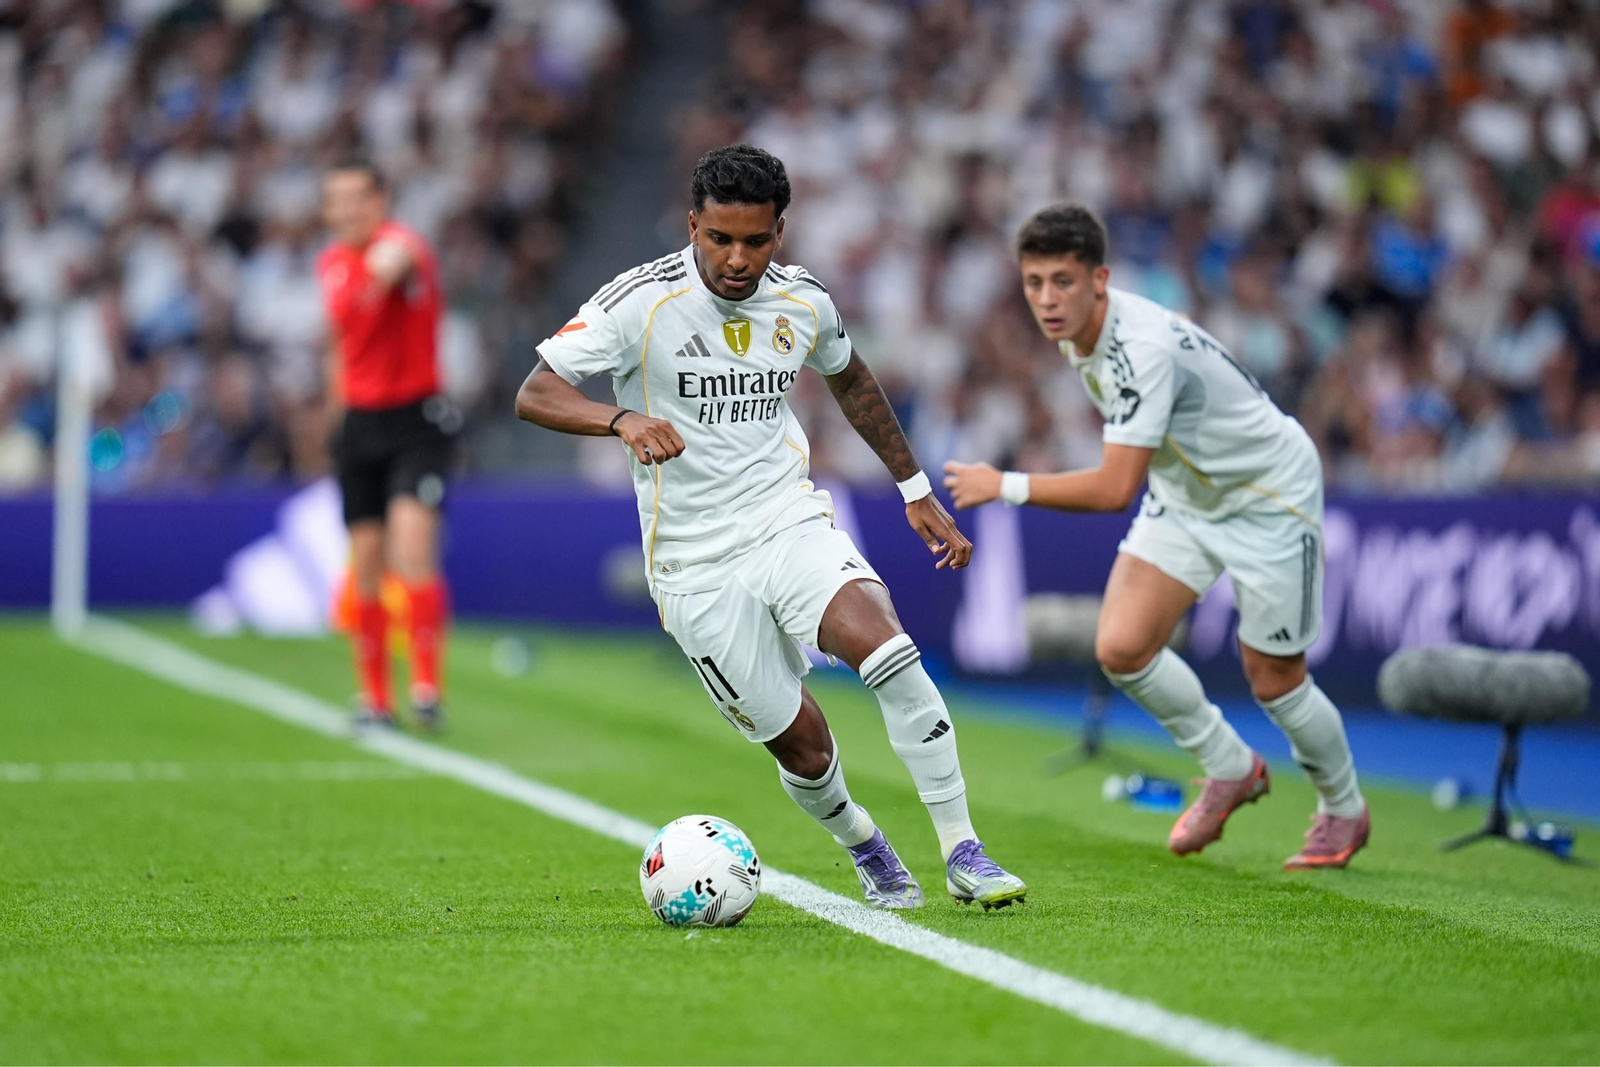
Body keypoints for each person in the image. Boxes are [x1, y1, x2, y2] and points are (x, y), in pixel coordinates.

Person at [516, 144, 1026, 909]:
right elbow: (536, 391)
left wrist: (914, 487)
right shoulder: (639, 301)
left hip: (785, 517)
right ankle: (866, 843)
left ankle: (964, 849)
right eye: (719, 238)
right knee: (802, 744)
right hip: (693, 563)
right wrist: (619, 418)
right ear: (693, 224)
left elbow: (850, 376)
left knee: (885, 644)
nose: (736, 258)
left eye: (755, 240)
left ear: (779, 232)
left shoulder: (802, 300)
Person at [944, 204, 1369, 870]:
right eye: (1034, 282)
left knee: (1275, 678)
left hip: (1267, 496)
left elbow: (1115, 489)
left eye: (1063, 281)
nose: (1048, 299)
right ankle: (1229, 766)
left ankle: (1342, 808)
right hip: (1188, 491)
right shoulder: (1077, 334)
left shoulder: (1140, 349)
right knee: (1121, 645)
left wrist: (1005, 484)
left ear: (1100, 280)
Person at [317, 157, 452, 732]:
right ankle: (376, 699)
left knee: (411, 547)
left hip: (415, 419)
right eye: (337, 200)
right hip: (359, 424)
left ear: (379, 201)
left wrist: (376, 276)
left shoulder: (400, 245)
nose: (348, 210)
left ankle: (425, 687)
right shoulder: (330, 263)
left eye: (358, 198)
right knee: (366, 563)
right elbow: (339, 345)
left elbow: (394, 264)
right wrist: (333, 416)